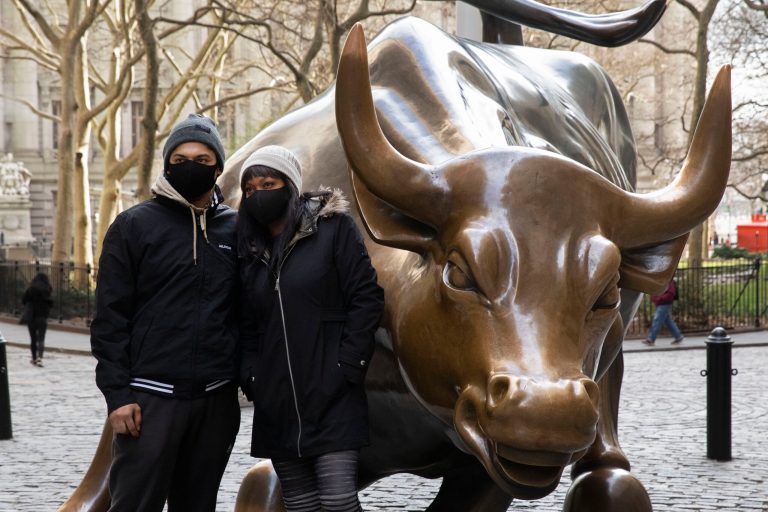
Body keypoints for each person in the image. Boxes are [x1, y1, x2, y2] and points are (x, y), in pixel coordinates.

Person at [90, 114, 240, 511]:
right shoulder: (133, 226)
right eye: (180, 158)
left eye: (203, 159)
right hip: (149, 401)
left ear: (219, 167)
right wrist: (118, 396)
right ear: (166, 164)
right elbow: (109, 318)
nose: (191, 165)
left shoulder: (237, 229)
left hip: (215, 401)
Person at [237, 145, 384, 512]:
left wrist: (347, 366)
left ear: (290, 185)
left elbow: (366, 298)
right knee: (300, 504)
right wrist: (252, 376)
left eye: (268, 183)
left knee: (337, 501)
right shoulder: (250, 249)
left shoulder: (333, 230)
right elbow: (246, 322)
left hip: (331, 394)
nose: (258, 194)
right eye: (250, 189)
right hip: (277, 402)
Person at [21, 272, 53, 366]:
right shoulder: (48, 289)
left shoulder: (31, 289)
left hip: (32, 317)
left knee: (33, 339)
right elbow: (51, 303)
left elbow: (23, 300)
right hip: (42, 317)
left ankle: (34, 358)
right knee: (41, 339)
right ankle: (40, 358)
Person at [643, 278, 684, 346]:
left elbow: (671, 293)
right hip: (662, 303)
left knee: (657, 320)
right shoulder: (665, 279)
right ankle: (678, 336)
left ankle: (651, 339)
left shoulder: (668, 280)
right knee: (668, 321)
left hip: (664, 303)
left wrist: (658, 298)